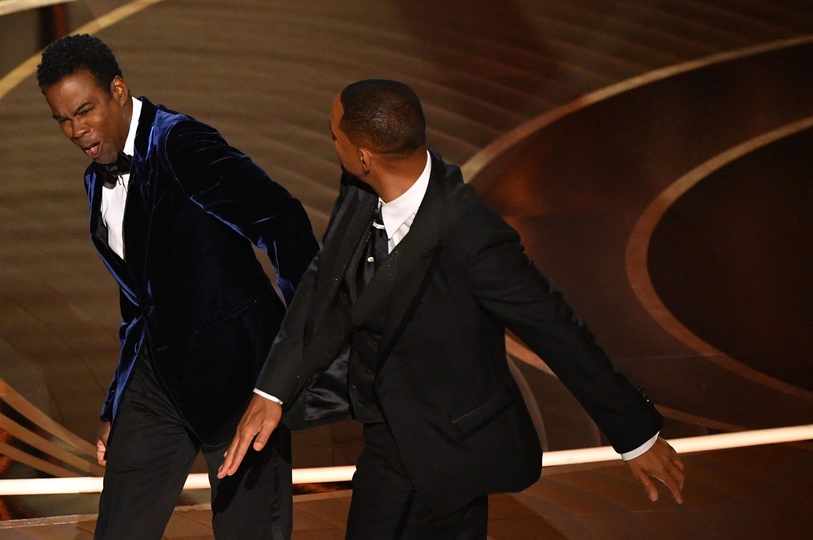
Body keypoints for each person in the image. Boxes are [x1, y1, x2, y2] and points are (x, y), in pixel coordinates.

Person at [218, 79, 685, 539]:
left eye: (334, 135)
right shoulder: (361, 187)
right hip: (393, 430)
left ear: (364, 156)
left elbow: (556, 329)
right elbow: (328, 282)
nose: (331, 142)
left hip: (445, 441)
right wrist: (273, 390)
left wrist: (636, 436)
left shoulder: (473, 238)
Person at [36, 34, 318, 539]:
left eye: (85, 111)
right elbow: (137, 298)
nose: (76, 130)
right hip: (158, 377)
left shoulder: (181, 145)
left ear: (118, 91)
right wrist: (116, 402)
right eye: (62, 119)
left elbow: (284, 223)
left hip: (239, 381)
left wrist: (289, 360)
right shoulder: (97, 178)